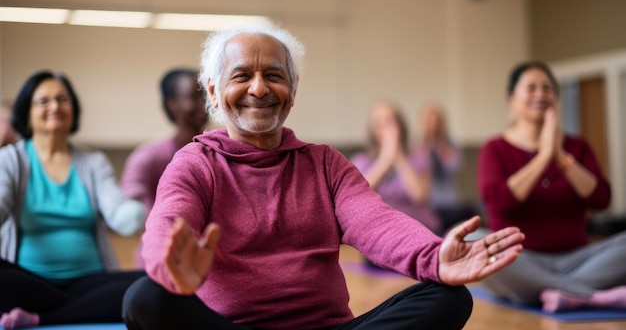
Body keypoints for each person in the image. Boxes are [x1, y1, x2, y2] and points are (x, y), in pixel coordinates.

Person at [121, 23, 525, 330]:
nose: (259, 88)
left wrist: (434, 257)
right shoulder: (195, 162)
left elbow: (376, 222)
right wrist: (167, 267)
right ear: (214, 91)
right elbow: (168, 221)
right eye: (242, 75)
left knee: (449, 299)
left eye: (275, 76)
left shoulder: (325, 163)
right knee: (144, 298)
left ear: (293, 90)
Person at [0, 71, 147, 329]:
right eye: (43, 101)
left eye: (62, 99)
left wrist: (130, 214)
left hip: (90, 280)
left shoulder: (93, 162)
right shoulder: (11, 160)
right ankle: (88, 307)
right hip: (30, 281)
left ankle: (41, 317)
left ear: (74, 111)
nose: (55, 106)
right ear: (27, 114)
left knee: (150, 282)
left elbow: (115, 207)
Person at [478, 60, 626, 313]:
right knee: (473, 240)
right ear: (512, 99)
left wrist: (560, 156)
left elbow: (601, 199)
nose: (541, 94)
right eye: (531, 87)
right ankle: (587, 294)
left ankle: (555, 292)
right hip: (519, 260)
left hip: (578, 259)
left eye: (547, 88)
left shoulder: (576, 147)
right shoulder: (495, 149)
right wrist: (544, 156)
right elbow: (499, 202)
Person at [121, 68, 209, 269]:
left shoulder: (219, 154)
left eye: (205, 95)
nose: (204, 104)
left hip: (208, 267)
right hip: (159, 264)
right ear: (171, 104)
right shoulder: (148, 157)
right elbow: (129, 206)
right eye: (194, 97)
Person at [351, 101, 442, 235]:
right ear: (372, 130)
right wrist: (385, 159)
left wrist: (399, 158)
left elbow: (420, 196)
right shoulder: (362, 160)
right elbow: (360, 196)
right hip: (380, 231)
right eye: (379, 123)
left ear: (400, 126)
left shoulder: (420, 157)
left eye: (390, 121)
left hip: (420, 227)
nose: (385, 127)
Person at [412, 103, 478, 233]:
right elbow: (416, 168)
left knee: (472, 211)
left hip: (448, 202)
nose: (433, 125)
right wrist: (425, 142)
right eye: (429, 121)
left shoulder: (451, 145)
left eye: (436, 121)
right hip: (424, 205)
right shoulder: (413, 146)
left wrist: (439, 142)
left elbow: (454, 166)